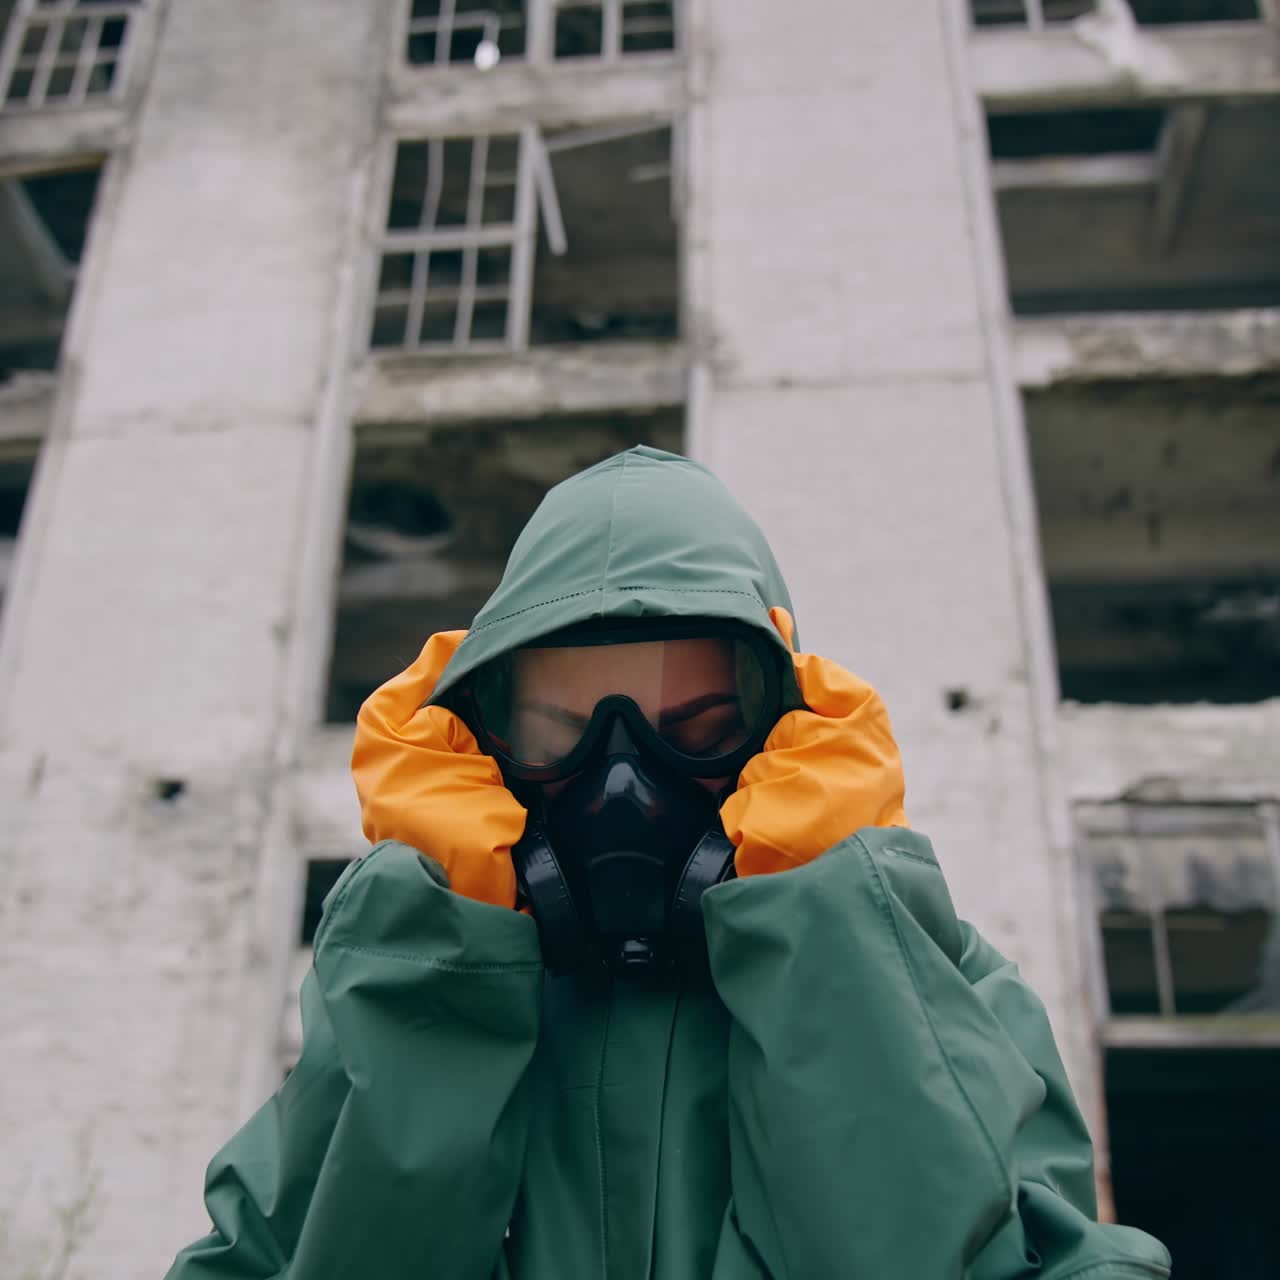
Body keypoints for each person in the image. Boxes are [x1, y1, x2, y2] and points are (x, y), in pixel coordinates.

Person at [167, 447, 1170, 1279]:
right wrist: (438, 957)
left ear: (777, 731)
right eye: (562, 736)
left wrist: (827, 923)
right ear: (483, 740)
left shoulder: (930, 978)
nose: (621, 785)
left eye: (693, 729)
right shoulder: (402, 975)